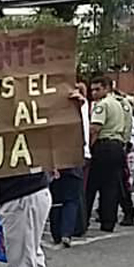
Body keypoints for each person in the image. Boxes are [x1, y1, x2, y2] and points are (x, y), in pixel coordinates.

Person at [50, 84, 90, 247]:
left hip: (64, 158)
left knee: (59, 198)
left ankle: (58, 233)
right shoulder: (82, 109)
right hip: (74, 158)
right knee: (70, 199)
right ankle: (66, 233)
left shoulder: (55, 115)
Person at [86, 76, 126, 233]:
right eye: (92, 90)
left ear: (107, 88)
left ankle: (82, 221)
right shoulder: (119, 103)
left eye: (97, 89)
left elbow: (95, 128)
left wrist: (88, 148)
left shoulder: (102, 105)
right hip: (117, 145)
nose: (94, 93)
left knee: (92, 185)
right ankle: (108, 222)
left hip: (104, 146)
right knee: (111, 186)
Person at [114, 90, 134, 226]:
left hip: (119, 145)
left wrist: (124, 143)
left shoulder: (122, 104)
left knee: (120, 182)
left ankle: (128, 210)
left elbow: (127, 126)